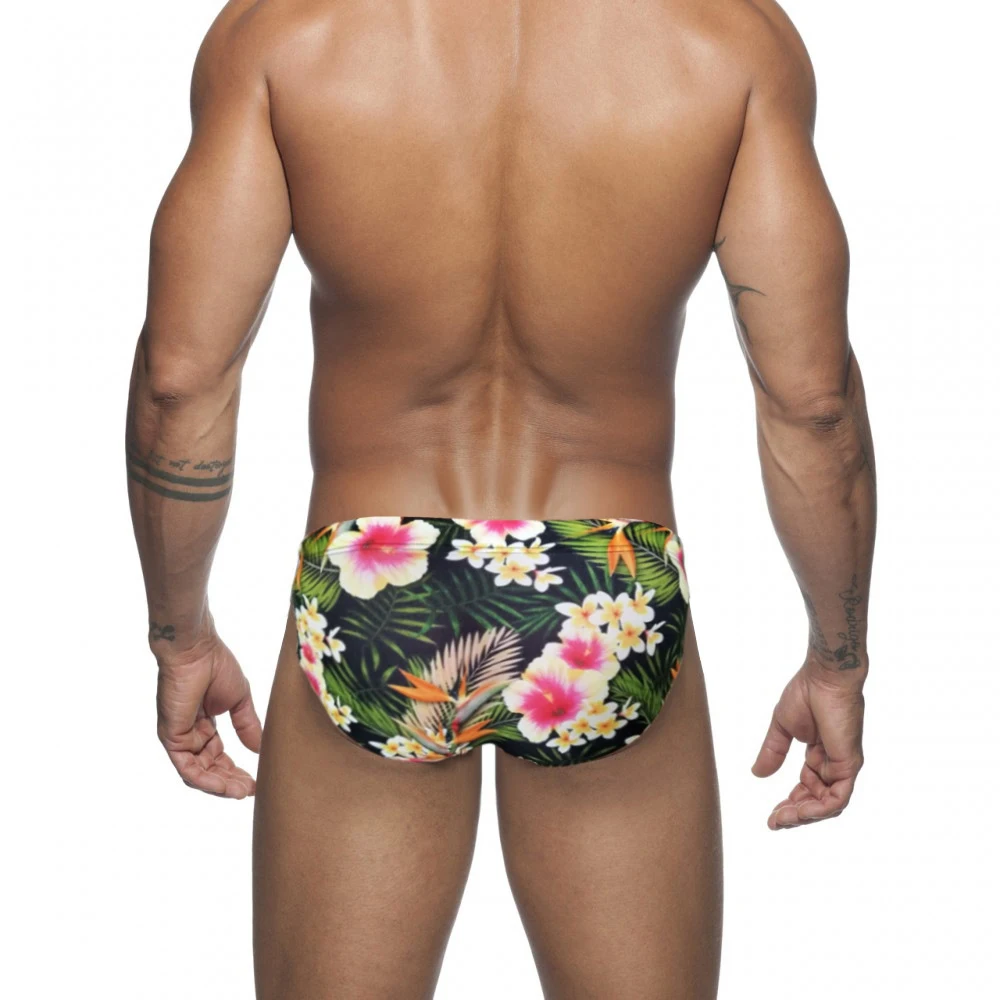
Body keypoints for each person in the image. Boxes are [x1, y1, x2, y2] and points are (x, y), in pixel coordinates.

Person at [126, 1, 876, 996]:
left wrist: (180, 639)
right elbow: (812, 403)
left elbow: (181, 381)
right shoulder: (727, 39)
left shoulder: (286, 32)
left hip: (378, 586)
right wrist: (838, 661)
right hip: (603, 589)